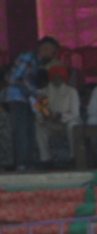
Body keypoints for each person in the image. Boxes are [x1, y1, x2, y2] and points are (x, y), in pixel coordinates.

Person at [4, 36, 59, 170]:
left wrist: (37, 97)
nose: (53, 56)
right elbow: (15, 78)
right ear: (45, 49)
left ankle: (28, 163)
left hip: (27, 99)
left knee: (30, 131)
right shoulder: (28, 57)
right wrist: (35, 93)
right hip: (17, 98)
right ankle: (21, 164)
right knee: (22, 131)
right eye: (53, 52)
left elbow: (27, 81)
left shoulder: (36, 62)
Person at [35, 64, 80, 165]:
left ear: (64, 78)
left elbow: (75, 114)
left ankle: (73, 157)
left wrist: (61, 116)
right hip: (51, 125)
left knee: (73, 125)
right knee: (38, 125)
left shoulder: (72, 92)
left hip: (65, 124)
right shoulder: (43, 93)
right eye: (54, 77)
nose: (57, 79)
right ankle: (45, 159)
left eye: (59, 76)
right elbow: (38, 113)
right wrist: (44, 116)